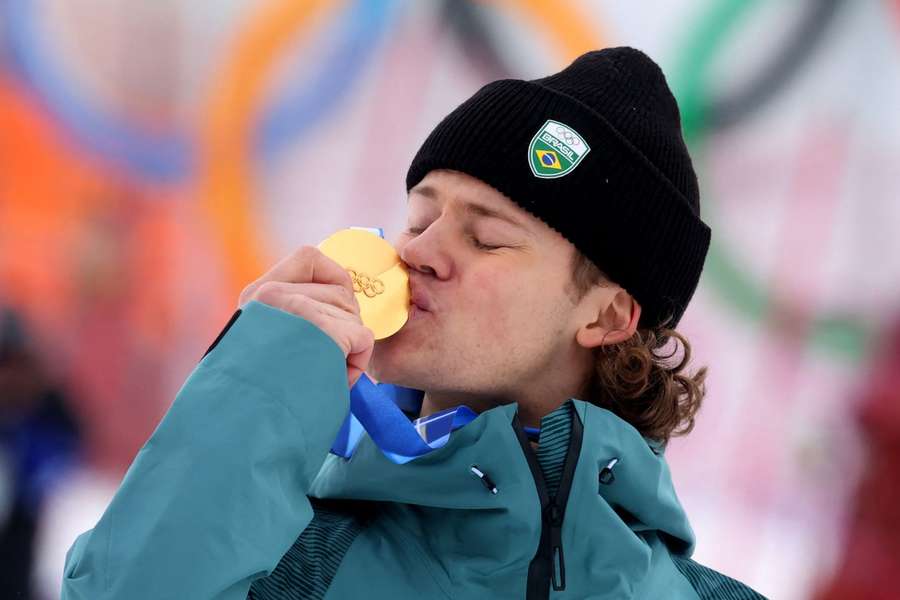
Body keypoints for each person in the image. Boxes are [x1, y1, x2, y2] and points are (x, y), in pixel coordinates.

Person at [60, 47, 766, 599]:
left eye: (486, 237)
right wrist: (259, 381)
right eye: (420, 217)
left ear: (607, 314)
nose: (418, 251)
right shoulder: (284, 561)